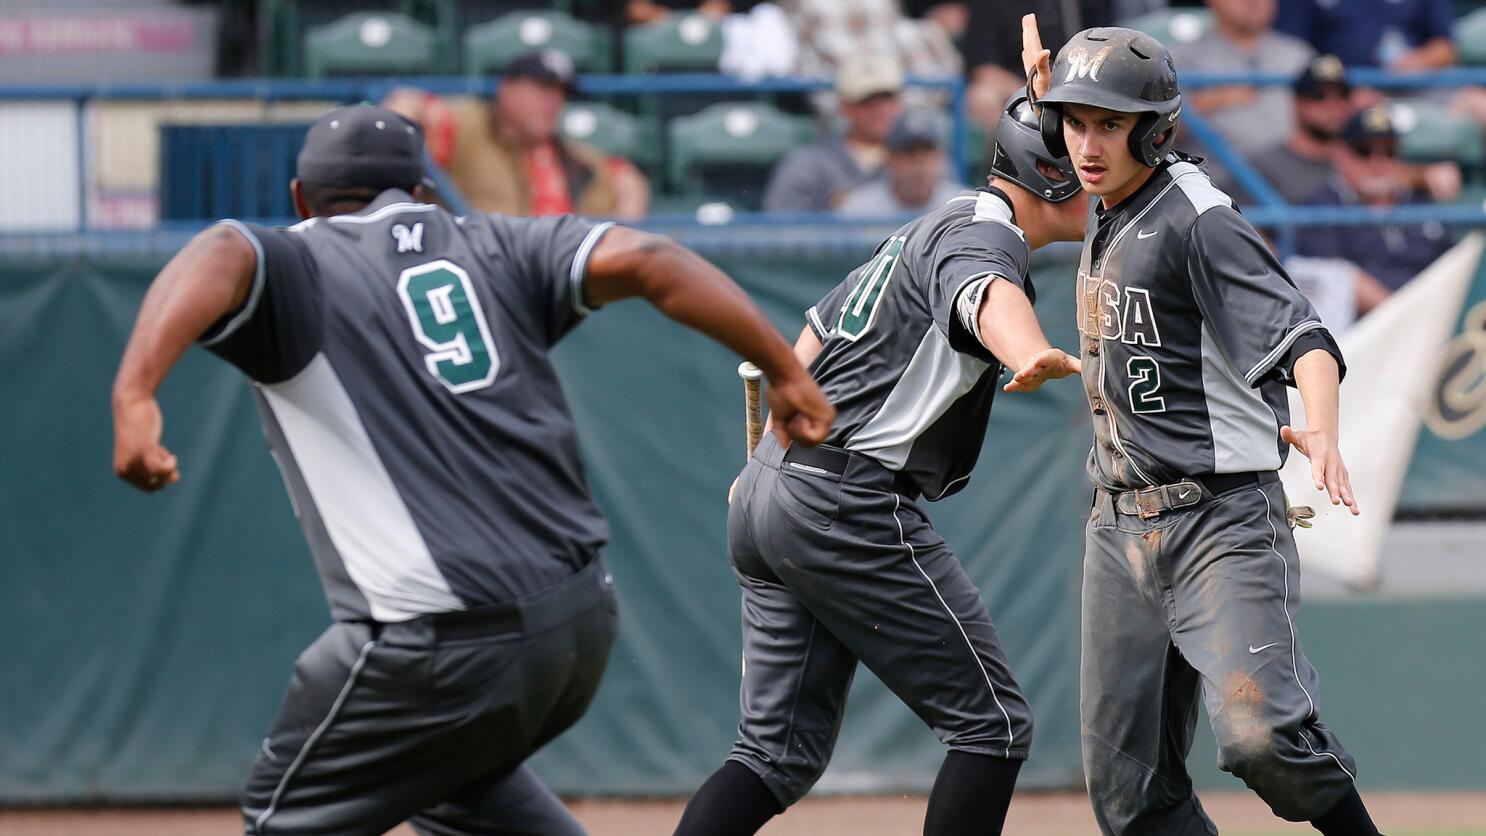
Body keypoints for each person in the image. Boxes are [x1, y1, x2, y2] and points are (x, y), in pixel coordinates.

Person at [110, 103, 834, 835]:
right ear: (423, 191)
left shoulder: (298, 261)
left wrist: (136, 390)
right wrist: (785, 369)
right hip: (580, 624)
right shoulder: (498, 243)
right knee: (448, 786)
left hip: (440, 641)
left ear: (302, 201)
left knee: (281, 815)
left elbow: (222, 250)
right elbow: (649, 260)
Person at [674, 90, 1090, 836]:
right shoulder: (984, 236)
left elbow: (804, 346)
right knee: (991, 727)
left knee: (774, 755)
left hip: (774, 484)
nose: (1103, 176)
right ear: (1050, 172)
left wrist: (770, 456)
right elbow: (983, 292)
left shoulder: (929, 223)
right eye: (1085, 157)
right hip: (844, 499)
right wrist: (1026, 349)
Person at [1024, 17, 1381, 834]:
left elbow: (1306, 339)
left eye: (1109, 125)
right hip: (1117, 527)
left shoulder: (1197, 217)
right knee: (1128, 795)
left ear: (1153, 132)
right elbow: (1064, 123)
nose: (1085, 143)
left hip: (1219, 520)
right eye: (1072, 123)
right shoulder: (1110, 193)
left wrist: (1321, 429)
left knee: (1264, 742)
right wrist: (1053, 90)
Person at [384, 50, 649, 220]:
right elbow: (407, 105)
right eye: (543, 89)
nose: (554, 102)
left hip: (555, 275)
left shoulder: (565, 150)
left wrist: (625, 226)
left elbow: (626, 178)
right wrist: (405, 109)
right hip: (485, 271)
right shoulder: (472, 125)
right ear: (507, 90)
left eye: (561, 94)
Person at [1297, 105, 1455, 293]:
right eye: (1364, 151)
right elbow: (1331, 283)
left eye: (1389, 152)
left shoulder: (1422, 204)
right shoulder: (1319, 208)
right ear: (1340, 154)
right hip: (1361, 321)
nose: (1377, 163)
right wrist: (1397, 311)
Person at [763, 52, 905, 212]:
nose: (880, 110)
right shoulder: (808, 164)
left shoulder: (923, 160)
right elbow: (784, 226)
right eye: (866, 101)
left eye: (887, 99)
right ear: (845, 106)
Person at [1170, 0, 1313, 157]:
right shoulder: (1180, 60)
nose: (1254, 2)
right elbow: (1158, 133)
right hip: (1212, 176)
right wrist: (1209, 102)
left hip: (1295, 173)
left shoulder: (1300, 57)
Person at [962, 0, 1112, 131]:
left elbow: (1104, 47)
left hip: (1075, 82)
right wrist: (1033, 90)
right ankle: (1009, 159)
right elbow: (983, 67)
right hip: (1014, 86)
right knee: (983, 97)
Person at [836, 108, 966, 217]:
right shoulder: (858, 209)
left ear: (941, 157)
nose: (920, 166)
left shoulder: (964, 209)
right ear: (890, 159)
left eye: (927, 154)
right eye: (910, 154)